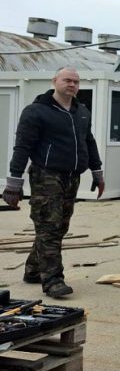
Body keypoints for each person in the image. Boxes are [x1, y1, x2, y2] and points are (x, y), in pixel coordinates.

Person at [2, 67, 104, 298]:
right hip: (46, 175)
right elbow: (22, 147)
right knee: (49, 225)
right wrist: (13, 183)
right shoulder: (36, 112)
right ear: (54, 81)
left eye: (76, 82)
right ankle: (53, 280)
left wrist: (97, 172)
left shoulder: (82, 112)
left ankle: (33, 269)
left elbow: (88, 141)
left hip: (72, 176)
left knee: (60, 226)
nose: (72, 85)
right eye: (67, 80)